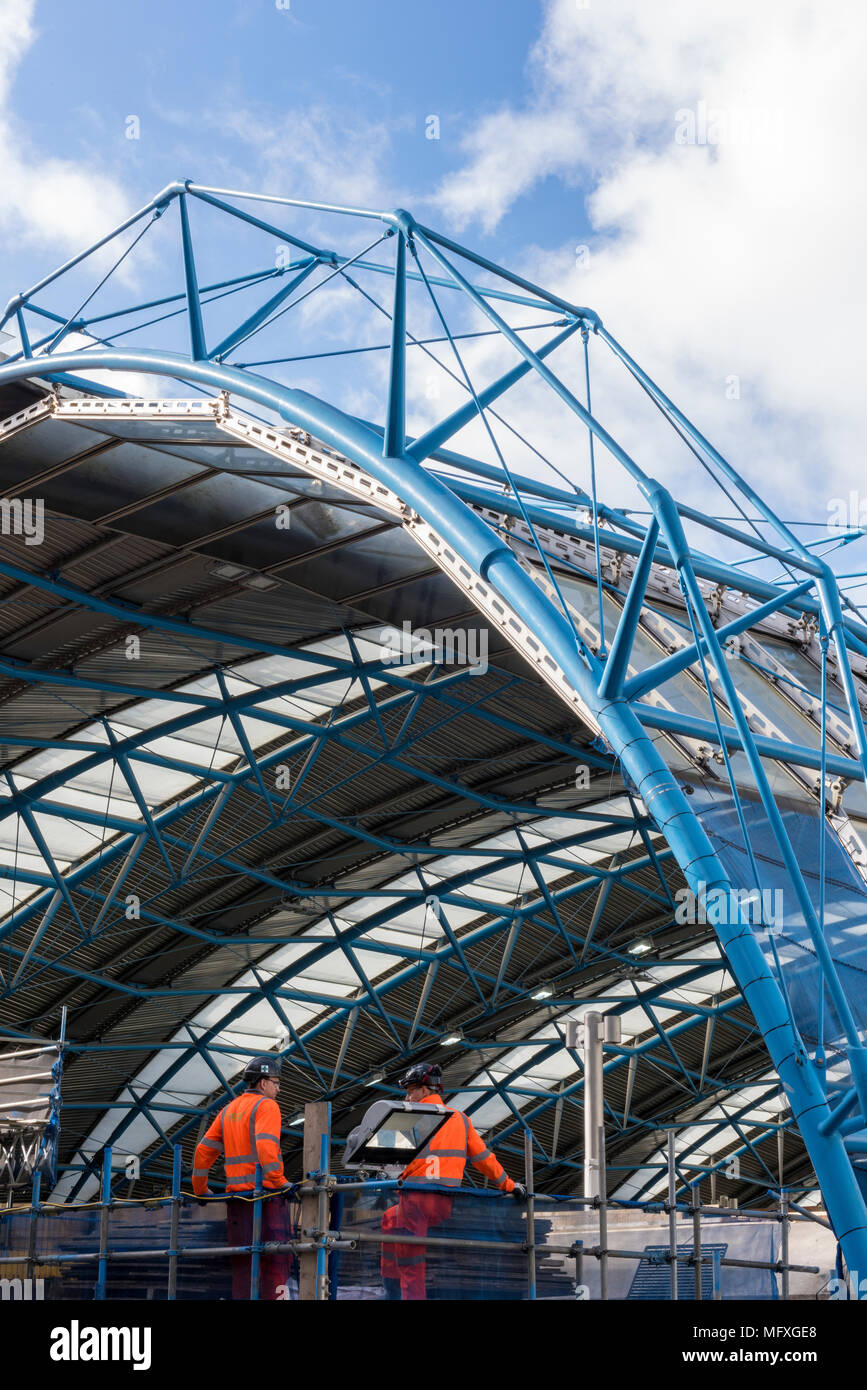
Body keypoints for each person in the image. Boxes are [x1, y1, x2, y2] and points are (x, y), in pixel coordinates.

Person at [381, 1062, 526, 1301]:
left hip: (415, 1202)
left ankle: (394, 1292)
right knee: (388, 1218)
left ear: (425, 1090)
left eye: (410, 1090)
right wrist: (509, 1185)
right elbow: (484, 1159)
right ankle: (390, 1288)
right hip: (443, 1204)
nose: (407, 1096)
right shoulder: (461, 1119)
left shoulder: (409, 1117)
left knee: (411, 1263)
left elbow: (386, 1156)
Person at [192, 1054, 294, 1300]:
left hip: (236, 1201)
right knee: (276, 1262)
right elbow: (266, 1147)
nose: (278, 1089)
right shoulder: (267, 1106)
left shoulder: (229, 1110)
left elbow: (203, 1151)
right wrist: (281, 1183)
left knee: (243, 1266)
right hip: (266, 1199)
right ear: (262, 1083)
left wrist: (200, 1189)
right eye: (276, 1083)